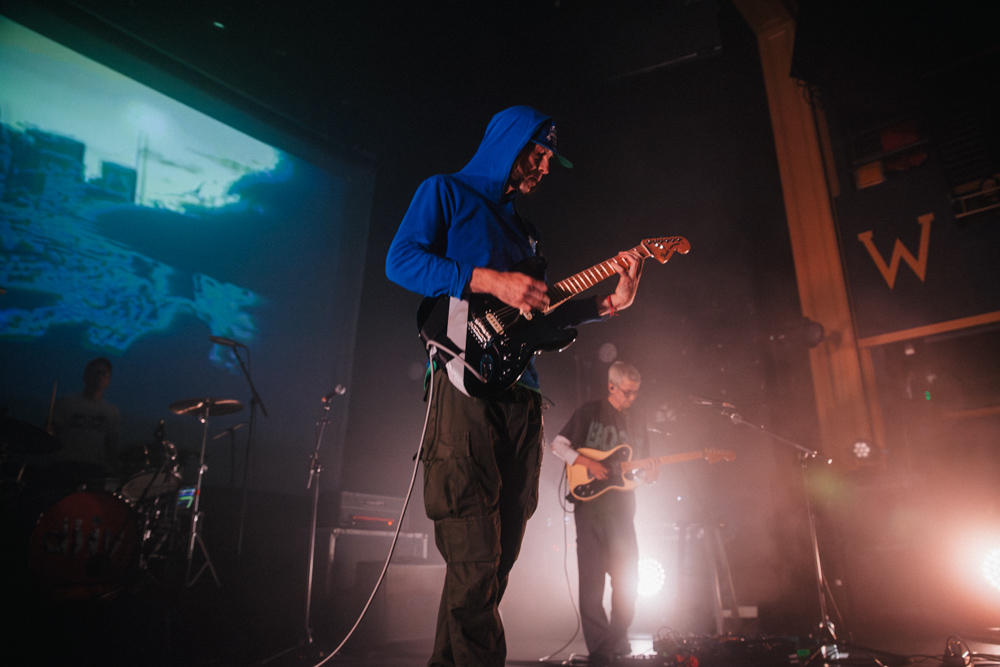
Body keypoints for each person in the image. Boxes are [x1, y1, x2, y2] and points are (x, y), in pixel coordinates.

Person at [386, 105, 645, 667]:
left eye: (550, 157)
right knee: (475, 559)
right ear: (509, 145)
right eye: (539, 153)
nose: (546, 167)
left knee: (492, 563)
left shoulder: (526, 230)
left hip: (522, 398)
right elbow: (401, 260)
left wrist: (606, 305)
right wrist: (485, 279)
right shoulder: (446, 192)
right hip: (462, 388)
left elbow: (540, 320)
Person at [550, 361, 654, 666]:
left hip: (623, 511)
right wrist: (586, 463)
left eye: (636, 393)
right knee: (592, 584)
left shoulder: (637, 420)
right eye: (627, 392)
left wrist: (650, 474)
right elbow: (557, 445)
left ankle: (616, 641)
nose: (632, 398)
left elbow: (642, 470)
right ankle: (602, 650)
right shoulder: (589, 412)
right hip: (590, 509)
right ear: (611, 386)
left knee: (628, 581)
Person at [43, 357, 121, 487]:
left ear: (109, 380)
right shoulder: (67, 403)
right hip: (64, 466)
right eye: (97, 372)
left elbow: (111, 445)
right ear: (86, 376)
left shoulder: (112, 411)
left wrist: (116, 470)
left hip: (94, 469)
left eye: (105, 373)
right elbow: (50, 434)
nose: (100, 376)